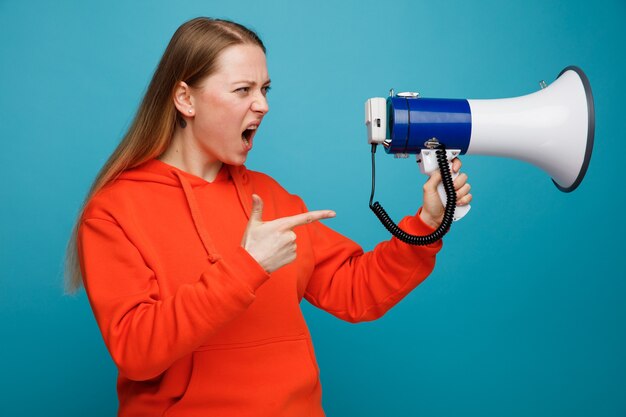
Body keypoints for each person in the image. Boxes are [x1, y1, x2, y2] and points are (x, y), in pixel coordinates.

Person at [66, 17, 472, 417]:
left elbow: (355, 291)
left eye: (264, 89)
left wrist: (426, 222)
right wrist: (245, 268)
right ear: (185, 99)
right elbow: (138, 353)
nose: (262, 105)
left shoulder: (271, 196)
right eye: (243, 90)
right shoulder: (114, 211)